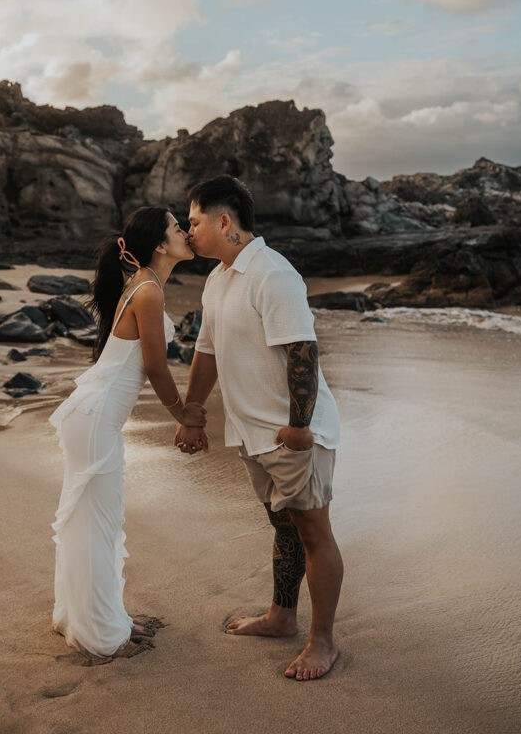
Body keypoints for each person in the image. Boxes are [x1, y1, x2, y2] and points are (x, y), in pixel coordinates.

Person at [176, 175, 343, 681]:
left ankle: (323, 642)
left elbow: (303, 351)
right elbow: (206, 350)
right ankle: (282, 617)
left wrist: (299, 426)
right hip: (255, 434)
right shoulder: (219, 278)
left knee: (314, 532)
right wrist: (193, 411)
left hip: (294, 434)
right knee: (284, 525)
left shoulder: (273, 274)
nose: (189, 232)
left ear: (224, 221)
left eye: (195, 221)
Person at [49, 206, 206, 659]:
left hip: (93, 415)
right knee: (96, 523)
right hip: (95, 418)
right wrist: (185, 415)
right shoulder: (149, 292)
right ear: (160, 244)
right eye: (179, 228)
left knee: (93, 520)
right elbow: (156, 368)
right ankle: (100, 635)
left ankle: (90, 617)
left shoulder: (144, 284)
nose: (186, 234)